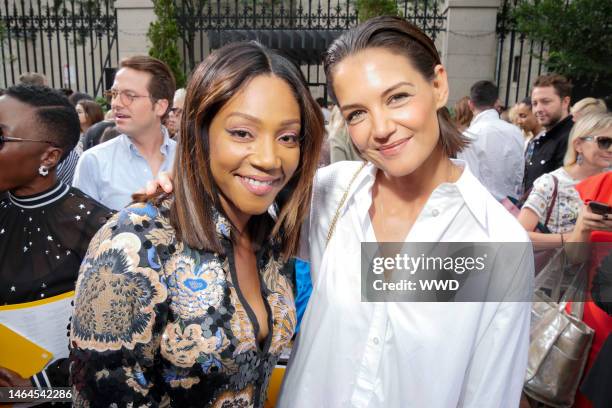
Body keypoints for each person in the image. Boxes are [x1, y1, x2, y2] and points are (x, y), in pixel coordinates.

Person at [150, 17, 534, 408]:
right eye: (356, 114)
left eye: (397, 97)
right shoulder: (330, 194)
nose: (381, 128)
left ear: (438, 85)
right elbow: (240, 196)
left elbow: (491, 394)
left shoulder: (496, 242)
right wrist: (180, 186)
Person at [69, 42, 324, 407]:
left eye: (287, 137)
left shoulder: (273, 237)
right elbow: (100, 395)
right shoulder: (135, 242)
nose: (270, 159)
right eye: (241, 133)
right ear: (200, 133)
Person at [0, 84, 113, 394]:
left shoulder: (102, 231)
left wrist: (37, 387)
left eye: (0, 138)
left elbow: (114, 347)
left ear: (48, 156)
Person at [73, 55, 177, 210]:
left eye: (129, 96)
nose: (116, 104)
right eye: (114, 94)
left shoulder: (189, 160)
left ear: (160, 106)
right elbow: (82, 232)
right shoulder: (94, 162)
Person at [518, 112, 612, 245]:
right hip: (553, 264)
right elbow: (518, 236)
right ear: (578, 145)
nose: (610, 149)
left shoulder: (609, 182)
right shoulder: (551, 182)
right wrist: (573, 238)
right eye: (604, 142)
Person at [458, 80, 524, 200]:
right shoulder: (515, 131)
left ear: (470, 104)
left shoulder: (468, 136)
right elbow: (519, 174)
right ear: (496, 102)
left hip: (480, 208)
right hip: (512, 206)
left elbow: (467, 182)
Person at [524, 74, 574, 192]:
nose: (538, 109)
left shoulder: (572, 138)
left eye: (545, 102)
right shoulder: (545, 137)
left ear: (565, 102)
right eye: (535, 103)